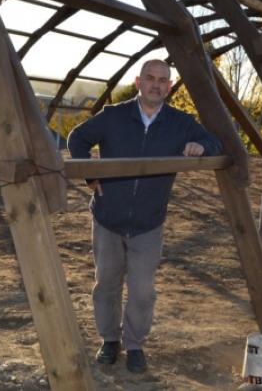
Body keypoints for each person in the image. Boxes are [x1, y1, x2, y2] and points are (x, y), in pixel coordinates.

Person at [67, 59, 221, 373]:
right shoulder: (114, 116)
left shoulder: (180, 123)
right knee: (107, 284)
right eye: (150, 78)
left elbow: (214, 142)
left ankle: (134, 344)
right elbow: (77, 138)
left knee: (142, 289)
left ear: (169, 86)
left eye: (163, 80)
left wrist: (200, 146)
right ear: (139, 82)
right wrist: (89, 176)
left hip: (149, 222)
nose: (156, 85)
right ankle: (110, 340)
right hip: (108, 216)